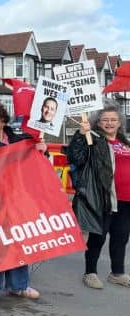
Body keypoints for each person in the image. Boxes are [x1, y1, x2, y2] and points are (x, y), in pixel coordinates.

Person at [0, 103, 47, 301]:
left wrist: (41, 149)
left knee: (18, 239)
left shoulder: (17, 139)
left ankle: (19, 285)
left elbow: (33, 158)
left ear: (3, 121)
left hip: (17, 197)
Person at [66, 105, 130, 290]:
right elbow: (75, 157)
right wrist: (80, 135)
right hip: (104, 197)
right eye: (105, 120)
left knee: (121, 236)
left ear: (119, 123)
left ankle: (117, 273)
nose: (109, 123)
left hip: (126, 199)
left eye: (113, 120)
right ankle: (90, 273)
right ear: (98, 123)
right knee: (98, 236)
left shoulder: (125, 143)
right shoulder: (93, 140)